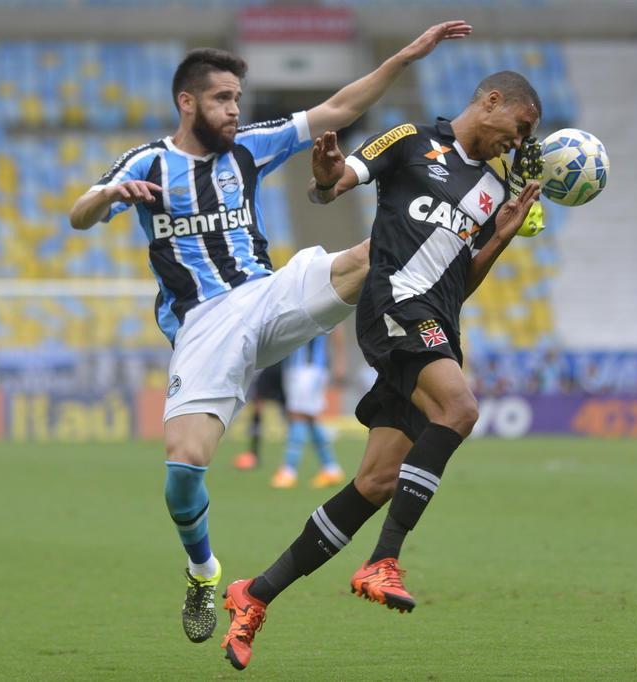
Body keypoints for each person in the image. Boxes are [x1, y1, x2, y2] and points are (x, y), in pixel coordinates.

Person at [68, 21, 472, 646]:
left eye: (237, 97)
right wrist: (113, 195)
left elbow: (339, 107)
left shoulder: (250, 147)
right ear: (188, 102)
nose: (235, 109)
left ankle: (405, 373)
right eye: (223, 99)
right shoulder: (147, 162)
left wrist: (405, 56)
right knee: (184, 470)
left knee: (376, 254)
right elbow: (80, 214)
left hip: (267, 295)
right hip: (204, 324)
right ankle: (206, 573)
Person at [220, 70, 544, 670]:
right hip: (394, 301)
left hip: (437, 319)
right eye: (520, 129)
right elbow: (335, 183)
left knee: (376, 482)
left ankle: (254, 595)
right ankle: (382, 560)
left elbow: (460, 281)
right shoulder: (408, 139)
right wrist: (323, 179)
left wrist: (499, 238)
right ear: (492, 101)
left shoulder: (495, 192)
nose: (518, 144)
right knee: (460, 409)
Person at [270, 326, 347, 489]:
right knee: (309, 417)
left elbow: (338, 325)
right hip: (293, 366)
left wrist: (340, 361)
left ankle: (288, 471)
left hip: (311, 367)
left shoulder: (323, 301)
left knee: (297, 415)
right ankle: (331, 468)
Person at [232, 362, 285, 471]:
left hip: (278, 368)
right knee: (258, 408)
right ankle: (254, 454)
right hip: (270, 369)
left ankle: (288, 463)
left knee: (294, 415)